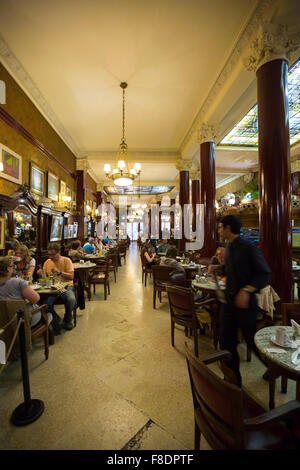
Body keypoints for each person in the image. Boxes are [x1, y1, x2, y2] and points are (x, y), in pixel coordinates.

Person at [218, 215, 271, 387]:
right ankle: (234, 380)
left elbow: (264, 273)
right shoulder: (228, 247)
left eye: (220, 227)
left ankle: (273, 367)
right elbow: (231, 271)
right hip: (229, 303)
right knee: (226, 341)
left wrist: (247, 290)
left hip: (245, 305)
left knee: (251, 340)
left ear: (227, 228)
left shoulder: (248, 247)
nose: (218, 230)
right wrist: (219, 266)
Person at [0, 256, 47, 327]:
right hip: (22, 322)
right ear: (8, 269)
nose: (13, 268)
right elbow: (36, 299)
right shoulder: (18, 282)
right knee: (46, 311)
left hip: (3, 323)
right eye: (12, 266)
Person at [38, 243, 76, 331]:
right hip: (52, 288)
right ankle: (55, 319)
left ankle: (67, 320)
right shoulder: (47, 262)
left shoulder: (66, 260)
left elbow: (71, 277)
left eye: (53, 254)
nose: (51, 257)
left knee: (71, 299)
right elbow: (45, 278)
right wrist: (41, 274)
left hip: (66, 286)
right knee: (46, 304)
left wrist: (59, 272)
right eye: (49, 254)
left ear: (59, 252)